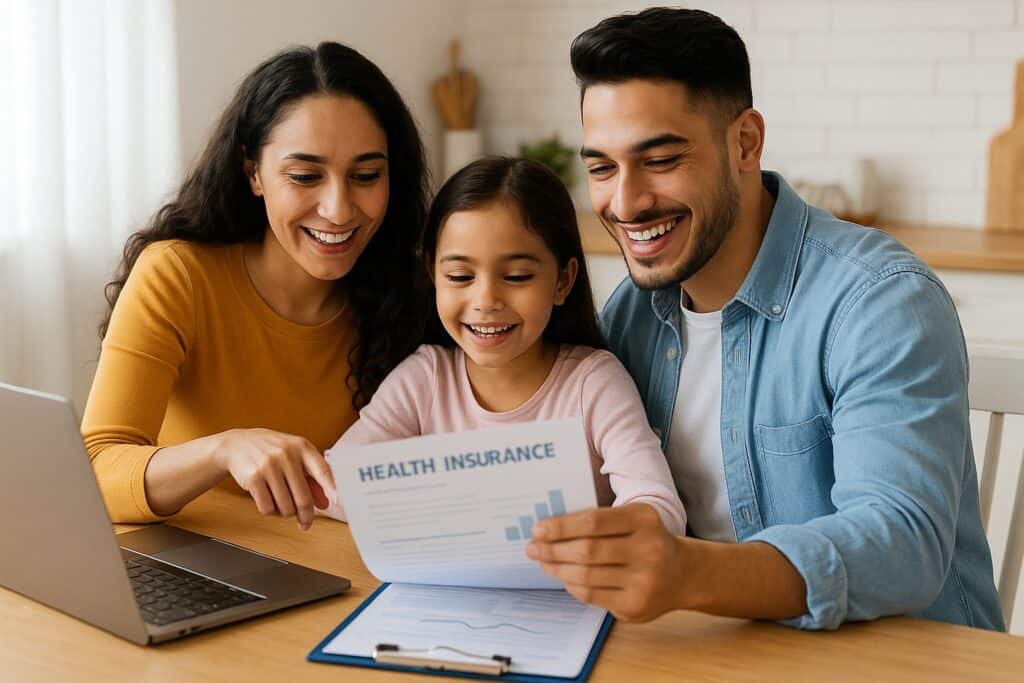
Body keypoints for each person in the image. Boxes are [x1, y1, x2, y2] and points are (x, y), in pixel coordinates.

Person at [525, 7, 1005, 632]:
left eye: (662, 159)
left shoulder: (880, 301)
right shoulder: (633, 312)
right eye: (601, 168)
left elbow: (902, 543)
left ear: (745, 142)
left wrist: (689, 574)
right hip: (730, 651)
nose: (625, 202)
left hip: (909, 661)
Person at [81, 42, 430, 530]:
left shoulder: (412, 293)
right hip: (202, 570)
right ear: (254, 173)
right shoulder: (178, 276)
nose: (339, 208)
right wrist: (224, 449)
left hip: (348, 574)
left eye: (366, 175)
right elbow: (97, 471)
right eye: (305, 176)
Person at [324, 156, 686, 536]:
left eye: (516, 276)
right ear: (433, 275)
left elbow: (659, 509)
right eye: (460, 276)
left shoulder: (592, 383)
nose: (486, 300)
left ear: (563, 280)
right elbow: (336, 483)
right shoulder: (424, 377)